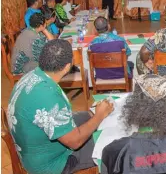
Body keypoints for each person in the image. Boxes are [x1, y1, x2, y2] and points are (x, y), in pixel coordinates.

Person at [7, 39, 114, 174]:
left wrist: (94, 115)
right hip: (51, 164)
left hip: (33, 149)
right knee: (111, 146)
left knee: (87, 116)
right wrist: (99, 115)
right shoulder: (48, 96)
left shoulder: (32, 75)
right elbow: (75, 142)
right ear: (67, 66)